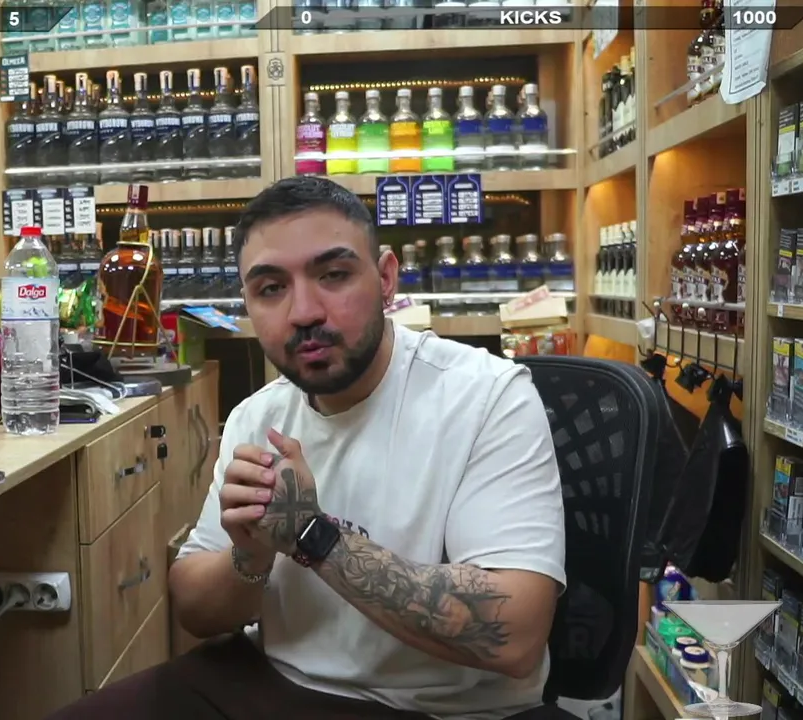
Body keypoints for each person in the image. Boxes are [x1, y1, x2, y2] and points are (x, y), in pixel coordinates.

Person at [48, 177, 567, 720]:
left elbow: (515, 633)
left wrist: (311, 535)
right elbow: (196, 611)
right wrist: (250, 555)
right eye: (271, 288)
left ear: (386, 278)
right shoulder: (258, 416)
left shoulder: (487, 398)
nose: (304, 312)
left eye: (334, 275)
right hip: (274, 683)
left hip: (448, 710)